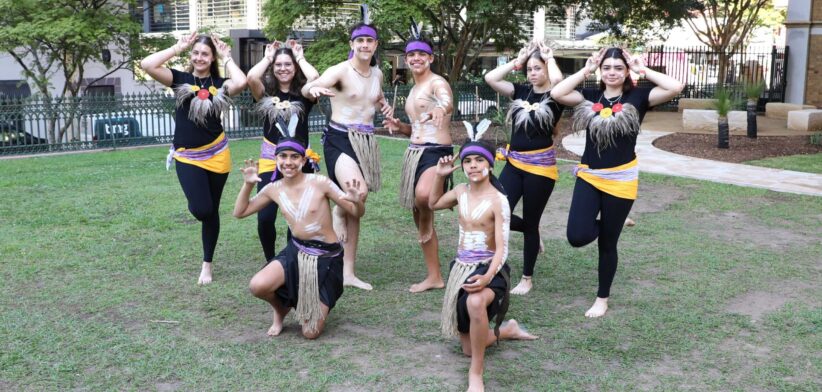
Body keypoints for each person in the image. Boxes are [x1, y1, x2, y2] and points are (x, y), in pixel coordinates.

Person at [550, 47, 683, 317]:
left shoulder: (639, 96)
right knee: (577, 236)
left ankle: (602, 298)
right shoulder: (590, 95)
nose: (612, 72)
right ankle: (617, 220)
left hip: (621, 178)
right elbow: (557, 93)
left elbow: (675, 86)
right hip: (589, 175)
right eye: (607, 68)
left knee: (607, 243)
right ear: (601, 70)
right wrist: (585, 70)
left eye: (618, 68)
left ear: (626, 72)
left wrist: (642, 69)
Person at [429, 120, 537, 392]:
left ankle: (476, 374)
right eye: (468, 161)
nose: (473, 165)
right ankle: (508, 330)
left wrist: (487, 276)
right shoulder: (460, 192)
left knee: (476, 303)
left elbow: (502, 248)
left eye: (479, 160)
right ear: (463, 166)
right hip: (461, 269)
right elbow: (432, 204)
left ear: (490, 165)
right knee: (467, 347)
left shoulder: (498, 200)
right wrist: (440, 176)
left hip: (491, 270)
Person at [232, 128, 366, 339]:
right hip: (296, 251)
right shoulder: (273, 188)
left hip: (326, 258)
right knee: (258, 285)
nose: (288, 162)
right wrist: (248, 185)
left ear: (303, 161)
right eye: (283, 157)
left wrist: (356, 201)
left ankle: (314, 300)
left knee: (310, 333)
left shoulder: (320, 183)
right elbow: (239, 212)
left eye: (294, 157)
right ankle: (281, 308)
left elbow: (356, 213)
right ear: (276, 159)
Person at [140, 32, 247, 285]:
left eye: (205, 54)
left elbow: (242, 81)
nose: (199, 57)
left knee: (211, 213)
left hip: (218, 153)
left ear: (212, 58)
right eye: (196, 53)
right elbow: (147, 65)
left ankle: (207, 264)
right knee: (202, 209)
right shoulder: (180, 80)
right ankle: (200, 212)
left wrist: (227, 56)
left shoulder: (221, 84)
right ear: (192, 55)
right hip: (188, 156)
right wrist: (177, 47)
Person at [301, 6, 393, 290]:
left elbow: (375, 97)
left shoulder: (377, 74)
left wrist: (385, 106)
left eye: (370, 41)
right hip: (339, 139)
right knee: (357, 193)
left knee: (354, 207)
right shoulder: (340, 70)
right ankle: (337, 215)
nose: (365, 45)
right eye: (360, 41)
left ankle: (348, 271)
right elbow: (308, 88)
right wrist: (313, 91)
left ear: (375, 45)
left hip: (365, 142)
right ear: (352, 44)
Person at [484, 40, 564, 295]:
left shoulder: (557, 95)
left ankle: (526, 278)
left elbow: (560, 82)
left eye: (537, 68)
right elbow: (491, 77)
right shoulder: (521, 91)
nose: (532, 73)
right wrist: (517, 61)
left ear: (547, 70)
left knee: (530, 221)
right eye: (529, 69)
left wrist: (550, 59)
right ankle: (533, 229)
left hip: (540, 168)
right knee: (495, 211)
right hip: (515, 163)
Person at [382, 21, 453, 293]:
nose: (415, 59)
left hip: (437, 152)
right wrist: (400, 128)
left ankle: (444, 202)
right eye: (411, 55)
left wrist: (441, 109)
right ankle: (434, 275)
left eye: (421, 55)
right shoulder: (412, 90)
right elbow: (417, 128)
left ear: (430, 58)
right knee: (417, 210)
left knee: (424, 198)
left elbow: (445, 101)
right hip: (414, 153)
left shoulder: (437, 83)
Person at [246, 39, 320, 262]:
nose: (283, 69)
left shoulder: (304, 94)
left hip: (300, 162)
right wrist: (268, 57)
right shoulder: (265, 94)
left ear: (295, 68)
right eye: (278, 65)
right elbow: (251, 78)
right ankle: (270, 261)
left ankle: (291, 258)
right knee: (266, 217)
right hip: (271, 161)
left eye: (288, 64)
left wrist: (300, 57)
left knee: (296, 216)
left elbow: (315, 78)